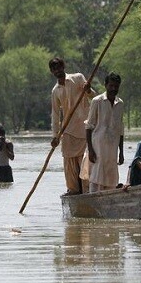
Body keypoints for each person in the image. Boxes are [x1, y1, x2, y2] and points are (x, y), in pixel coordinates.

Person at [49, 57, 96, 195]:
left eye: (59, 67)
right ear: (52, 72)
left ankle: (87, 190)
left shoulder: (78, 78)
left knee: (84, 160)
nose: (57, 71)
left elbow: (93, 96)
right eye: (54, 69)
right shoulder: (55, 91)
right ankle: (73, 189)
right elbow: (56, 115)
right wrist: (55, 136)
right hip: (68, 129)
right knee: (69, 162)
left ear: (63, 67)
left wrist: (87, 90)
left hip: (85, 128)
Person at [83, 72, 124, 193]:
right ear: (106, 85)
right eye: (111, 86)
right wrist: (90, 150)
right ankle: (93, 202)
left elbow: (120, 129)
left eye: (116, 86)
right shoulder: (97, 101)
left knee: (111, 178)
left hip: (112, 147)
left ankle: (108, 203)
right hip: (98, 147)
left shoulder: (120, 103)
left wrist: (121, 152)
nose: (113, 89)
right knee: (96, 177)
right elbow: (89, 126)